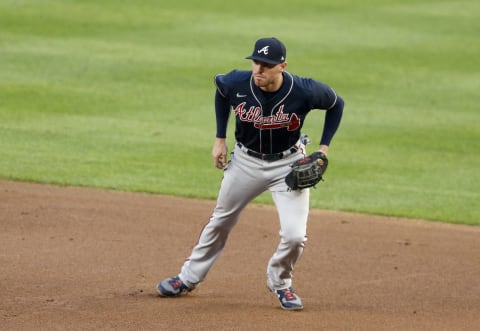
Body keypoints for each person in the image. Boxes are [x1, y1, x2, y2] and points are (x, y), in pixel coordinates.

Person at [157, 37, 344, 310]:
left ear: (282, 66)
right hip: (245, 163)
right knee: (220, 221)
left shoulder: (303, 90)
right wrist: (219, 138)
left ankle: (281, 283)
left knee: (294, 236)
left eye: (266, 65)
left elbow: (336, 104)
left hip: (287, 166)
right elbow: (221, 92)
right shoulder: (236, 82)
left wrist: (324, 148)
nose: (259, 69)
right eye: (256, 62)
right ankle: (187, 278)